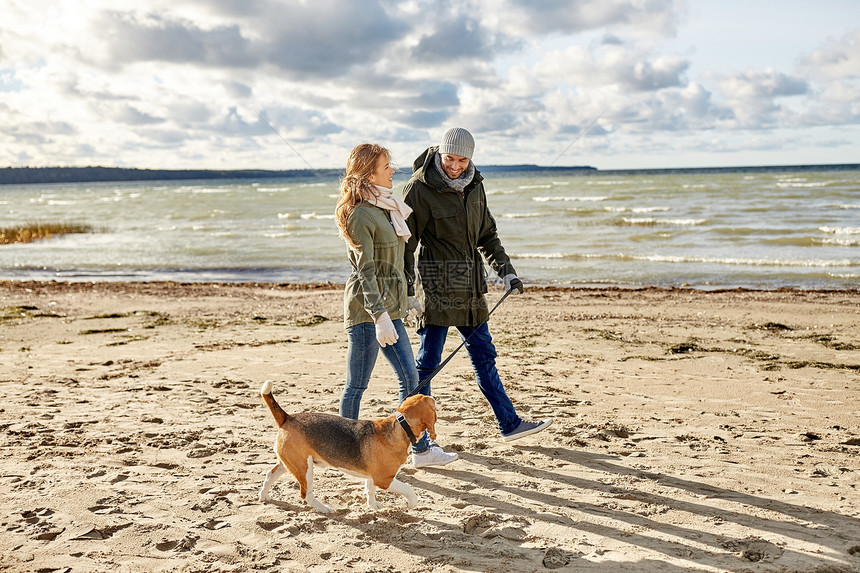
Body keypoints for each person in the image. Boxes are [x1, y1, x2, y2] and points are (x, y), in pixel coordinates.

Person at [402, 127, 553, 442]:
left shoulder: (475, 186)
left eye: (462, 159)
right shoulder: (417, 189)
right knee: (427, 364)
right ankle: (418, 440)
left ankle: (508, 424)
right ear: (440, 153)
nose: (455, 166)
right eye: (449, 158)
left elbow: (487, 234)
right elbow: (406, 245)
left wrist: (506, 270)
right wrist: (405, 291)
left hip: (471, 288)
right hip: (437, 289)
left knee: (484, 355)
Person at [335, 143, 459, 468]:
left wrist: (407, 299)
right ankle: (341, 452)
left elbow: (400, 258)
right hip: (367, 313)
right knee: (357, 385)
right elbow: (366, 271)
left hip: (391, 310)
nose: (394, 171)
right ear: (369, 173)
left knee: (411, 377)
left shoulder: (388, 207)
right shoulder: (360, 214)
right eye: (387, 166)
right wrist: (379, 317)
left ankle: (420, 450)